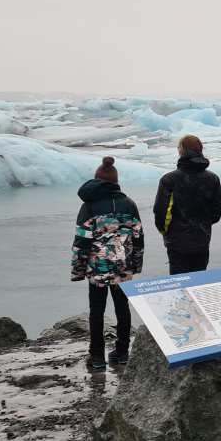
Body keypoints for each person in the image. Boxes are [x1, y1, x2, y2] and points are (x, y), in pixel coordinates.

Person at [71, 156, 144, 372]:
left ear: (97, 180)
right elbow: (138, 237)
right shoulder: (129, 204)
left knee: (97, 310)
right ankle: (122, 351)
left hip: (98, 268)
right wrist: (136, 264)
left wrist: (78, 269)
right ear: (116, 181)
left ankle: (97, 357)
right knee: (122, 307)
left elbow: (81, 240)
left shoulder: (89, 206)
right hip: (122, 266)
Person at [153, 135, 221, 274]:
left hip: (177, 242)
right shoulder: (212, 178)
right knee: (198, 280)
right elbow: (216, 212)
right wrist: (203, 225)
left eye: (178, 147)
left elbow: (161, 213)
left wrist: (167, 233)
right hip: (202, 239)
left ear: (182, 151)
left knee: (180, 283)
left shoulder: (169, 180)